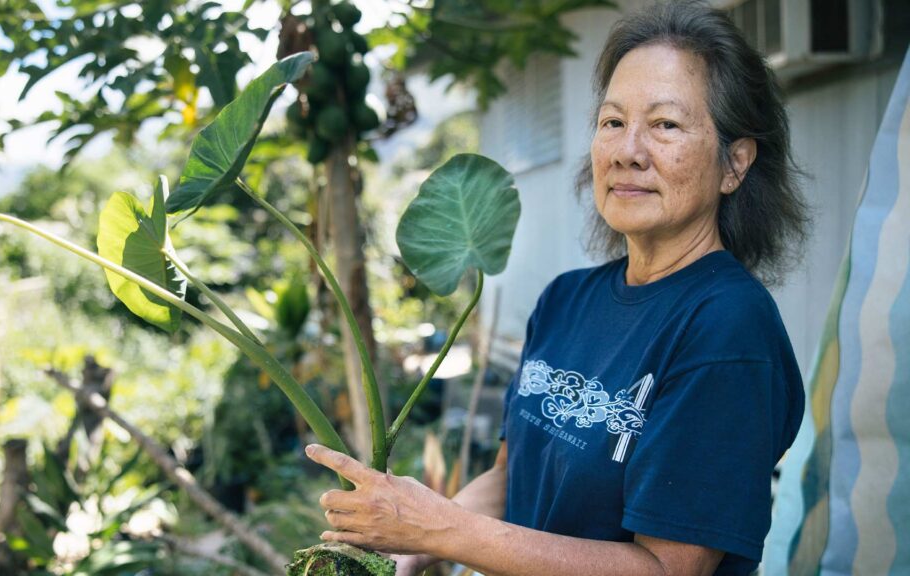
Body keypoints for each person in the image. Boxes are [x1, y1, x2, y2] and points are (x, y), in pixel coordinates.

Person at [305, 1, 810, 574]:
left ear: (735, 164)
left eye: (665, 125)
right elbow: (507, 477)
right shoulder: (566, 300)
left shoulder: (728, 328)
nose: (627, 151)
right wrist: (407, 549)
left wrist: (442, 527)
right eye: (613, 122)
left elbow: (667, 570)